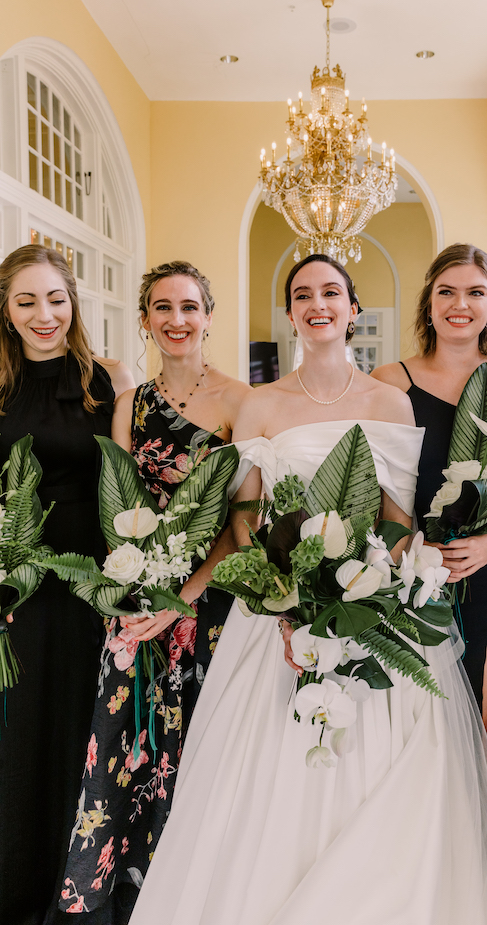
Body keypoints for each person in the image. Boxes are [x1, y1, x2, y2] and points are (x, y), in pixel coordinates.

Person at [129, 253, 487, 925]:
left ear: (351, 309)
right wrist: (262, 597)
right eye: (303, 295)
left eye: (331, 294)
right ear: (291, 312)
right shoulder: (260, 406)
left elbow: (397, 517)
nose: (318, 305)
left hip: (371, 605)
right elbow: (242, 520)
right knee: (267, 778)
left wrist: (385, 590)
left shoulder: (388, 400)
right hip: (278, 614)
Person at [55, 261, 250, 921]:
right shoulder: (128, 404)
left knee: (200, 746)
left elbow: (240, 524)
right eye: (162, 308)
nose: (176, 320)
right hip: (137, 605)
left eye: (189, 307)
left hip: (205, 602)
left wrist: (183, 599)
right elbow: (119, 508)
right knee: (126, 751)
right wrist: (134, 593)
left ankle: (199, 894)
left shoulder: (239, 401)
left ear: (208, 315)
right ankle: (132, 890)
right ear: (145, 319)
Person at [372, 243, 487, 813]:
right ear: (428, 303)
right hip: (410, 572)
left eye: (475, 292)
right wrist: (407, 557)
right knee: (420, 722)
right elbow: (381, 489)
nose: (460, 305)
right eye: (446, 291)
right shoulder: (390, 380)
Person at [0, 244, 134, 925]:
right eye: (27, 301)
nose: (44, 314)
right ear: (6, 310)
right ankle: (17, 890)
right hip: (15, 594)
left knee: (83, 733)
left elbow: (125, 487)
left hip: (89, 586)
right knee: (20, 735)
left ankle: (78, 891)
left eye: (55, 298)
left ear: (73, 301)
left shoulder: (104, 381)